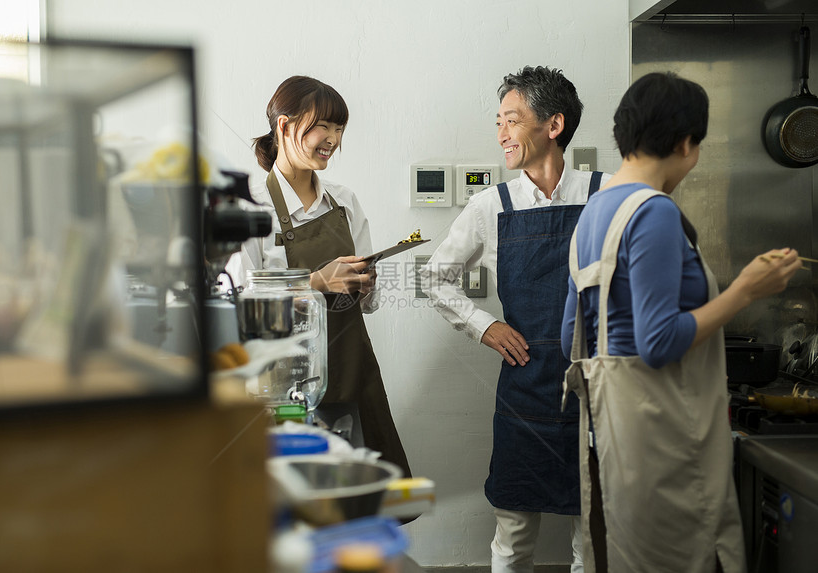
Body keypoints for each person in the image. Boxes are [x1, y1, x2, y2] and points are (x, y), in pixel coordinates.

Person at [560, 72, 801, 573]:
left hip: (613, 433)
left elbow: (572, 339)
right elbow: (658, 342)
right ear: (687, 143)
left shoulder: (592, 213)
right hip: (667, 433)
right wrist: (745, 291)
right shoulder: (654, 213)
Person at [420, 66, 610, 573]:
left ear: (553, 125)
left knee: (593, 537)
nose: (501, 133)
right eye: (498, 121)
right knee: (513, 535)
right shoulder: (491, 207)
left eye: (512, 119)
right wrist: (486, 326)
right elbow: (434, 277)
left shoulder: (608, 194)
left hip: (600, 389)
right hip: (526, 388)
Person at [226, 75, 411, 477]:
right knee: (289, 505)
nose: (333, 138)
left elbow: (371, 304)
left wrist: (366, 281)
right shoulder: (251, 209)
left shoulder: (343, 201)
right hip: (279, 383)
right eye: (323, 126)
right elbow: (240, 307)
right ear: (286, 126)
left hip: (350, 368)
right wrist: (317, 282)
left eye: (339, 128)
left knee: (354, 505)